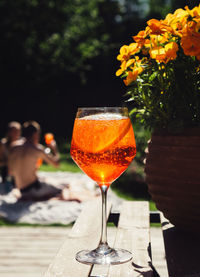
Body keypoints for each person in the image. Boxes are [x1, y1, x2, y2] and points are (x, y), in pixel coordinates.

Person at [8, 121, 61, 201]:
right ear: (35, 134)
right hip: (34, 189)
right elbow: (56, 164)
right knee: (60, 189)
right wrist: (54, 149)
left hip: (19, 188)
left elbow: (11, 171)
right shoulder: (37, 149)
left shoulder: (14, 146)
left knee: (44, 179)